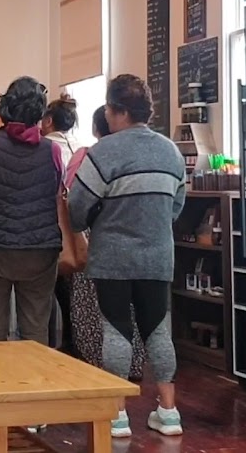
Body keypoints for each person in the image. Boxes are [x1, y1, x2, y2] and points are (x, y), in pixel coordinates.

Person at [67, 74, 187, 438]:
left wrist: (95, 220)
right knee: (158, 329)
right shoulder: (171, 151)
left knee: (116, 328)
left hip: (113, 257)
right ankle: (169, 411)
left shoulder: (104, 152)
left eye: (108, 108)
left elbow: (77, 208)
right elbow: (176, 207)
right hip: (158, 257)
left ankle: (117, 415)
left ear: (118, 110)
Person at [0, 76, 63, 345]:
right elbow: (55, 195)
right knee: (35, 329)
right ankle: (32, 372)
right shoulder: (52, 150)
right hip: (40, 250)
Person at [65, 107, 148, 380]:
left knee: (93, 305)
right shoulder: (138, 157)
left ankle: (95, 363)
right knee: (130, 306)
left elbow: (75, 199)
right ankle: (132, 365)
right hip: (136, 239)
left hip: (97, 238)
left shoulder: (90, 156)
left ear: (96, 128)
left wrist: (77, 226)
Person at [40, 94, 80, 355]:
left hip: (48, 226)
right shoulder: (80, 148)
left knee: (44, 292)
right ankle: (72, 342)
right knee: (71, 292)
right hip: (76, 228)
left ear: (48, 120)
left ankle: (46, 346)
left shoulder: (43, 148)